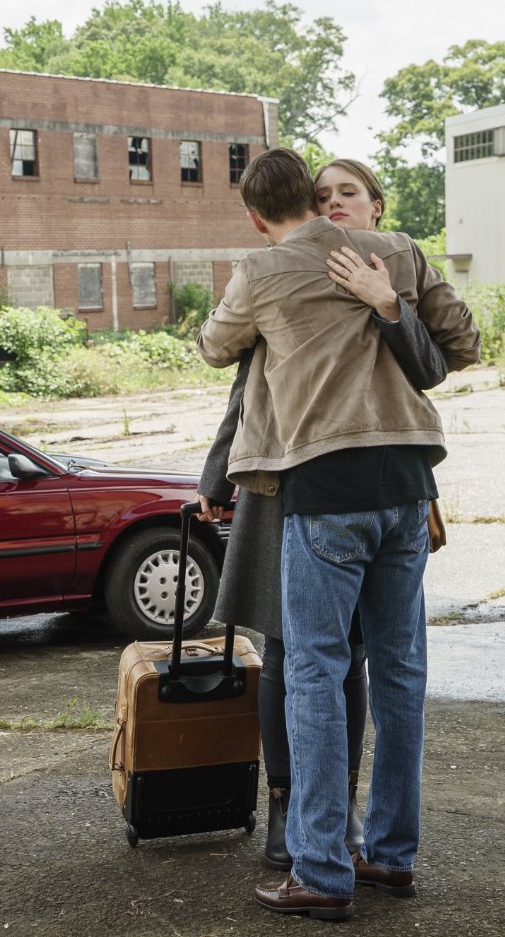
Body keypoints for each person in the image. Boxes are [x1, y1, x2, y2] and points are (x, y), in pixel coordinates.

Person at [197, 147, 480, 920]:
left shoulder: (261, 271)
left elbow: (215, 347)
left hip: (324, 490)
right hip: (408, 489)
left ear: (257, 216)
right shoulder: (398, 251)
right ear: (316, 204)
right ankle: (390, 857)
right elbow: (464, 340)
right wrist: (393, 301)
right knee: (399, 675)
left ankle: (320, 871)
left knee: (314, 673)